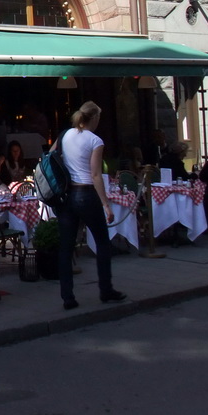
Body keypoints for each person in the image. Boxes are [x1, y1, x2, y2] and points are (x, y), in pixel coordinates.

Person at [55, 101, 125, 310]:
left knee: (66, 247)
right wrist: (106, 204)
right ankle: (106, 289)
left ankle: (67, 296)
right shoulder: (95, 140)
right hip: (86, 193)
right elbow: (95, 174)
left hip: (66, 195)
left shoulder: (65, 135)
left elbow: (51, 155)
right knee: (102, 242)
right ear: (94, 118)